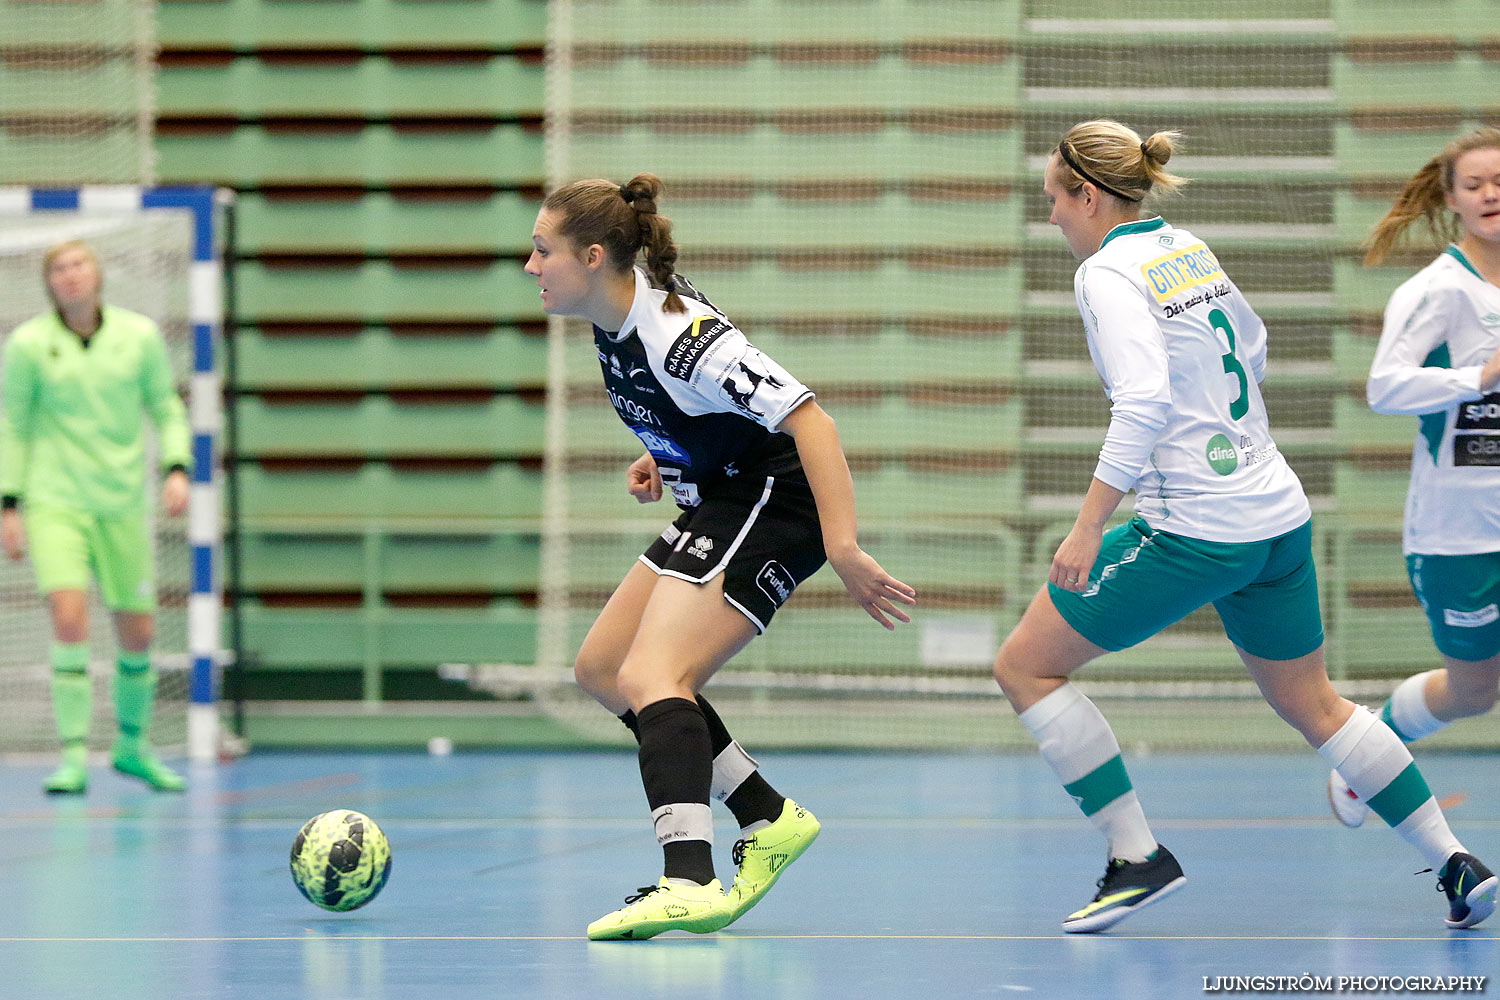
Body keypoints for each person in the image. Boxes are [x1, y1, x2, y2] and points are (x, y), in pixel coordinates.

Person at [991, 120, 1497, 933]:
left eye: (1052, 198)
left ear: (1087, 195)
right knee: (1316, 703)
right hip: (1276, 515)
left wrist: (1089, 526)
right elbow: (1252, 348)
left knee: (1024, 667)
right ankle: (1454, 862)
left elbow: (1145, 400)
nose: (1050, 216)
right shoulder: (1186, 248)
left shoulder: (1107, 273)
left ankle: (1135, 857)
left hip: (1195, 528)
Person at [524, 173, 916, 940]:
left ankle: (690, 880)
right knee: (604, 671)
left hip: (777, 500)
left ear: (594, 256)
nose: (530, 266)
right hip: (724, 491)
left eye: (543, 251)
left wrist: (843, 547)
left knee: (653, 675)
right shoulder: (612, 318)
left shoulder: (679, 333)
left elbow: (811, 421)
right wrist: (666, 458)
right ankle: (766, 817)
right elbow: (697, 417)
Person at [1327, 127, 1500, 828]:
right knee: (1473, 693)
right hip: (1459, 535)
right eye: (1477, 184)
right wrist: (1479, 377)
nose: (1492, 194)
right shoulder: (1438, 292)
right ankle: (1369, 756)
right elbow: (1384, 387)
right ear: (1452, 199)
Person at [0, 240, 191, 795]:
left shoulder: (139, 337)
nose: (71, 275)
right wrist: (8, 503)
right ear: (48, 282)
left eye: (79, 263)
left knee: (139, 629)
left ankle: (132, 746)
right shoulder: (30, 344)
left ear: (98, 273)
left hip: (123, 502)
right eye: (58, 268)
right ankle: (74, 755)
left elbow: (165, 406)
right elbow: (12, 425)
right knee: (68, 617)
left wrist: (176, 467)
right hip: (55, 500)